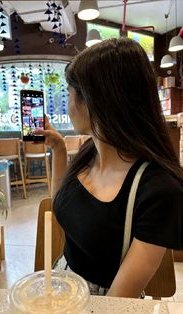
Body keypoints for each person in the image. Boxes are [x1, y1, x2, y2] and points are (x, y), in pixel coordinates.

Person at [34, 37, 183, 298]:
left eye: (70, 92)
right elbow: (61, 205)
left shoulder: (159, 191)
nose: (68, 105)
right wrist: (58, 149)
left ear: (96, 100)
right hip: (64, 283)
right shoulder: (89, 152)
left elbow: (117, 300)